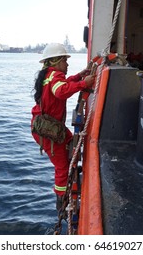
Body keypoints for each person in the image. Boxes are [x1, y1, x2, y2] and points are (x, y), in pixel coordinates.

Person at [31, 43, 95, 212]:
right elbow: (61, 91)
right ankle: (62, 201)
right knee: (61, 167)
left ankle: (72, 164)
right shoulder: (55, 76)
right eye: (65, 61)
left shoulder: (50, 75)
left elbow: (62, 84)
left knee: (69, 141)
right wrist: (83, 83)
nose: (67, 64)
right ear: (56, 61)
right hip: (49, 130)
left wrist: (79, 76)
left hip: (49, 126)